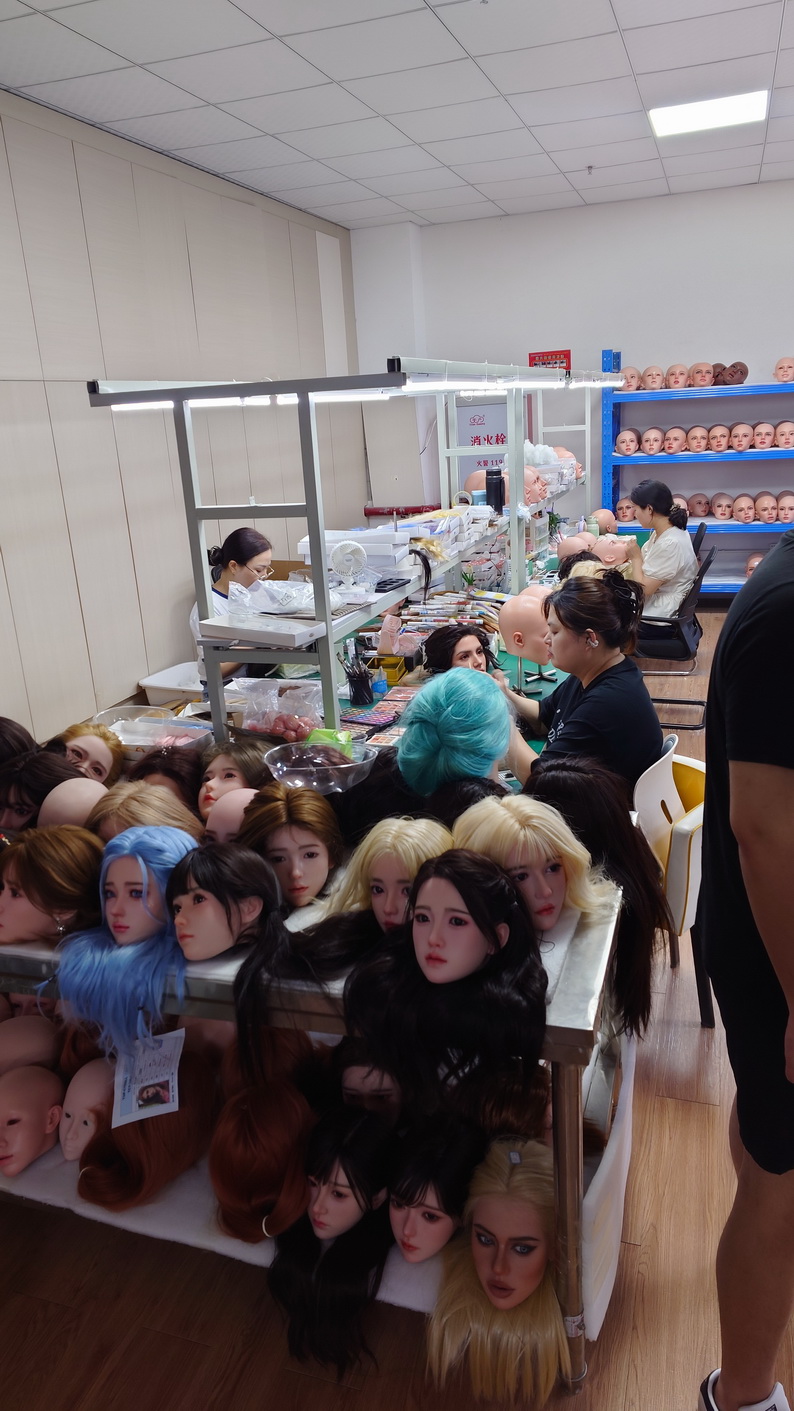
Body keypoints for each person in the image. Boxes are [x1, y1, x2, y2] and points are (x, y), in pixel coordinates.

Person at [698, 529, 794, 1411]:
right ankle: (743, 1394)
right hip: (777, 954)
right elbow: (764, 828)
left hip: (765, 941)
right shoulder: (785, 611)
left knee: (770, 1155)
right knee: (782, 1183)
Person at [500, 572, 663, 789]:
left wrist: (503, 725)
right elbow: (543, 716)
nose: (547, 639)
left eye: (554, 631)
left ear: (589, 639)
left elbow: (538, 780)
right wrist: (503, 693)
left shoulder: (608, 702)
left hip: (601, 807)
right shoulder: (591, 673)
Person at [188, 526, 273, 680]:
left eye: (267, 569)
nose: (264, 576)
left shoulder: (252, 593)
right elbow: (217, 669)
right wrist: (255, 640)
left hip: (255, 677)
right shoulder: (209, 608)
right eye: (259, 570)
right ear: (233, 566)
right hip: (225, 685)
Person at [625, 479, 698, 619]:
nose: (634, 514)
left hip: (659, 611)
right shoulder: (666, 529)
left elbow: (645, 589)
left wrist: (635, 558)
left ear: (649, 509)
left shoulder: (670, 543)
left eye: (635, 509)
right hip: (659, 597)